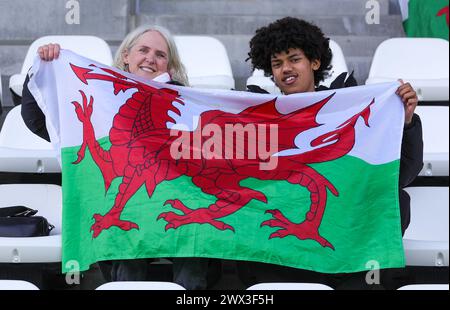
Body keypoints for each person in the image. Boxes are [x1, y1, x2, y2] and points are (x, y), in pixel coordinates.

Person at [21, 25, 215, 290]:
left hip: (172, 204)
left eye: (160, 54)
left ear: (168, 65)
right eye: (143, 50)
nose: (150, 58)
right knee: (126, 248)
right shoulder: (100, 96)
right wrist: (42, 69)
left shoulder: (186, 100)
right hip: (128, 208)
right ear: (126, 56)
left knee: (192, 245)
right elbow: (37, 121)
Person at [238, 17, 423, 289]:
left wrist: (405, 122)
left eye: (294, 59)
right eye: (277, 64)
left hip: (344, 250)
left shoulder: (351, 109)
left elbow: (402, 173)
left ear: (314, 62)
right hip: (277, 257)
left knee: (395, 196)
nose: (286, 69)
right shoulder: (257, 117)